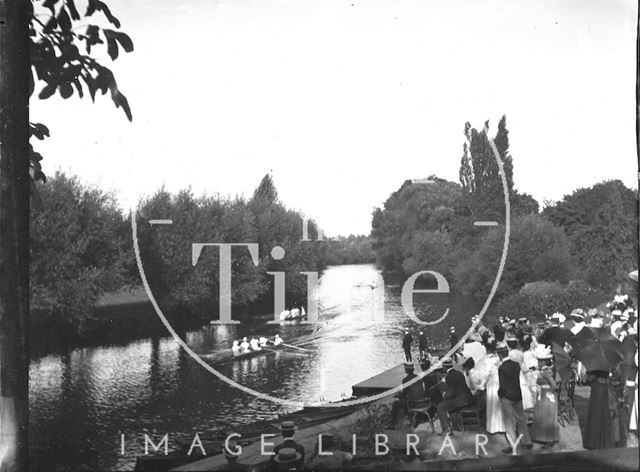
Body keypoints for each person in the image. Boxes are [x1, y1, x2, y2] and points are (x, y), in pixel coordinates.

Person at [498, 342, 533, 453]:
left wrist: (500, 394)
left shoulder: (502, 368)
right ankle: (527, 442)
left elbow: (502, 385)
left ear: (500, 355)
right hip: (517, 394)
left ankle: (513, 444)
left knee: (508, 422)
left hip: (507, 397)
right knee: (521, 419)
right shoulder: (516, 365)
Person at [530, 346, 559, 449]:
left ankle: (549, 439)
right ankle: (544, 438)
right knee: (543, 416)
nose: (538, 363)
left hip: (546, 395)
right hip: (542, 394)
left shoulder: (546, 372)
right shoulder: (544, 371)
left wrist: (549, 393)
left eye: (539, 361)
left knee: (547, 417)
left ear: (543, 362)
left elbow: (554, 385)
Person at [436, 358, 472, 435]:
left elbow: (450, 391)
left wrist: (444, 399)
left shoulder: (449, 376)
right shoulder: (459, 373)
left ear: (444, 367)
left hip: (460, 400)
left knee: (440, 407)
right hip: (467, 398)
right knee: (449, 403)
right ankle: (456, 425)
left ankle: (446, 429)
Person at [583, 370, 617, 449]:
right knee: (603, 414)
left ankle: (593, 442)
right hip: (603, 387)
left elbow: (589, 376)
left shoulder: (595, 365)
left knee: (595, 415)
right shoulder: (606, 364)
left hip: (597, 387)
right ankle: (602, 442)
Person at [387, 363, 425, 428]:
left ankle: (392, 423)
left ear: (407, 369)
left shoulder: (405, 379)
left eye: (405, 368)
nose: (405, 369)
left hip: (413, 402)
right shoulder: (418, 377)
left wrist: (399, 395)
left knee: (396, 404)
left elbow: (405, 393)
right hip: (421, 401)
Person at [485, 343, 504, 434]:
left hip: (492, 383)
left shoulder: (488, 361)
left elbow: (486, 374)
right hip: (499, 381)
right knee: (499, 404)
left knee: (493, 404)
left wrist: (481, 384)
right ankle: (502, 427)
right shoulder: (499, 358)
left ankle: (493, 427)